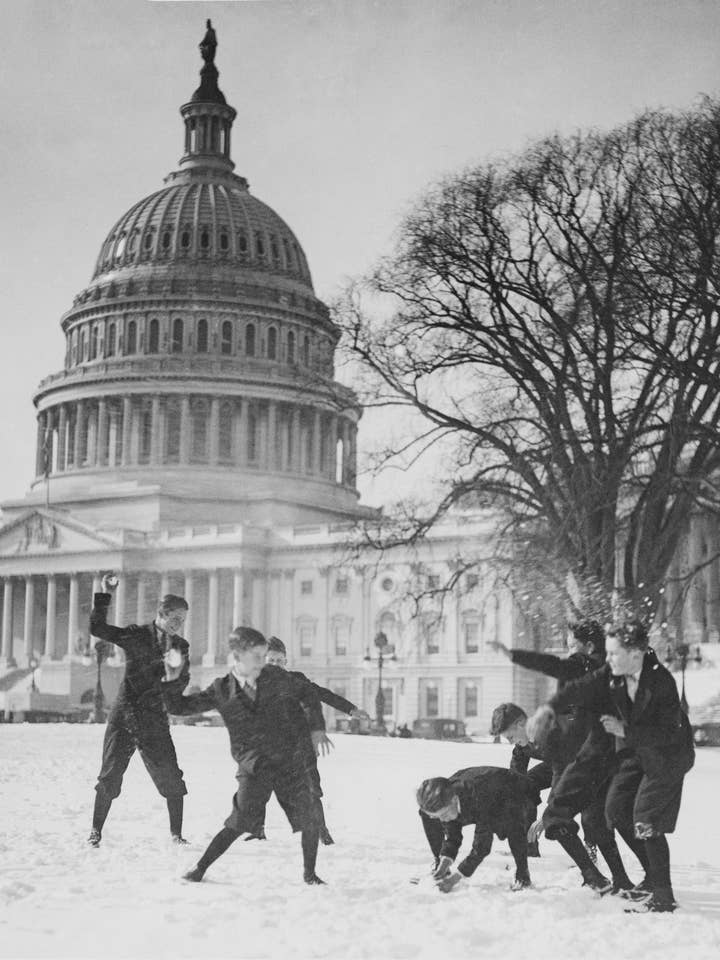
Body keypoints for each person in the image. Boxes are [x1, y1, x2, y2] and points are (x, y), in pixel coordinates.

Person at [528, 619, 695, 913]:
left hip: (665, 756)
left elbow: (669, 732)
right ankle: (648, 881)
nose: (608, 658)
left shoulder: (660, 682)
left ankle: (663, 894)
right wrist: (548, 709)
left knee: (645, 820)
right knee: (615, 812)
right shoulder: (612, 672)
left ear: (634, 653)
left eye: (614, 652)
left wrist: (623, 732)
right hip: (630, 752)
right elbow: (581, 690)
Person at [163, 627, 328, 886]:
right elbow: (178, 707)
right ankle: (199, 868)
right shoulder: (222, 689)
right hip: (253, 767)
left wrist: (317, 727)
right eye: (257, 656)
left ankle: (310, 874)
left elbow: (308, 693)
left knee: (310, 819)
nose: (263, 662)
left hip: (286, 761)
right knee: (238, 823)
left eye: (265, 656)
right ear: (238, 656)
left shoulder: (275, 676)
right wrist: (173, 677)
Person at [490, 619, 608, 861]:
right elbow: (518, 772)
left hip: (581, 751)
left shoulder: (584, 664)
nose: (568, 652)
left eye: (571, 645)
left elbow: (551, 664)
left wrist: (514, 655)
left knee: (588, 803)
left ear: (589, 646)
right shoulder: (593, 669)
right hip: (571, 745)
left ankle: (590, 848)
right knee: (527, 784)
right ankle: (527, 843)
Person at [86, 575, 190, 847]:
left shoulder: (181, 647)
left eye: (183, 620)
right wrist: (104, 594)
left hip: (155, 720)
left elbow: (181, 683)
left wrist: (174, 677)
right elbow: (98, 628)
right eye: (175, 618)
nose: (179, 624)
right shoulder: (136, 635)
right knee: (109, 776)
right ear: (161, 614)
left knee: (171, 777)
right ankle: (95, 831)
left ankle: (177, 835)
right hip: (124, 717)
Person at [489, 702, 632, 892]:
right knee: (526, 786)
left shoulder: (550, 733)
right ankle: (528, 843)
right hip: (564, 763)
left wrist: (549, 813)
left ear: (521, 723)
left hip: (595, 765)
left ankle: (609, 874)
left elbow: (562, 777)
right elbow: (516, 777)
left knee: (588, 820)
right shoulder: (523, 742)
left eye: (510, 736)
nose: (511, 742)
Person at [264, 636, 370, 845]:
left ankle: (322, 831)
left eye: (279, 660)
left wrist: (351, 709)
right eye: (271, 661)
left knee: (311, 788)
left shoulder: (297, 680)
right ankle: (256, 830)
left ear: (285, 661)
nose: (275, 665)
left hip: (299, 743)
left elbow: (322, 694)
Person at [415, 767, 538, 892]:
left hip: (513, 789)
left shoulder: (480, 800)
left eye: (444, 815)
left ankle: (523, 874)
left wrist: (454, 879)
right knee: (428, 815)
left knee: (513, 827)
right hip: (476, 790)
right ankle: (440, 866)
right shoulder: (445, 798)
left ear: (454, 800)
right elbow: (452, 836)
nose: (442, 820)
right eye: (439, 817)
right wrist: (444, 862)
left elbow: (482, 847)